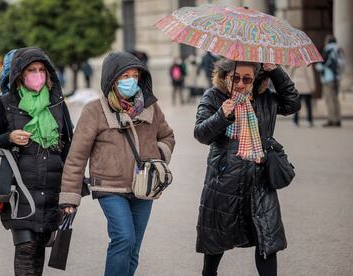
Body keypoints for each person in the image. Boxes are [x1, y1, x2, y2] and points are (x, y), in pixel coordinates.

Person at [59, 51, 175, 276]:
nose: (131, 81)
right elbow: (76, 156)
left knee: (133, 247)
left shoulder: (150, 107)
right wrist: (69, 197)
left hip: (144, 188)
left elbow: (167, 137)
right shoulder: (94, 110)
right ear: (112, 79)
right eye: (124, 76)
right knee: (123, 238)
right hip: (109, 187)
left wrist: (157, 157)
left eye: (135, 75)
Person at [194, 58, 300, 276]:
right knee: (215, 241)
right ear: (225, 77)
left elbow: (292, 104)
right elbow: (201, 134)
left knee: (267, 241)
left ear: (255, 80)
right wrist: (221, 116)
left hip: (260, 182)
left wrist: (276, 71)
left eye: (246, 79)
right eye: (235, 78)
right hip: (224, 181)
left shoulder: (265, 99)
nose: (240, 84)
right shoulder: (214, 97)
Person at [0, 47, 74, 276]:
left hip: (51, 189)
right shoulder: (5, 103)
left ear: (49, 74)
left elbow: (70, 148)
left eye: (41, 70)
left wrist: (73, 190)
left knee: (40, 245)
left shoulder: (57, 104)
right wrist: (8, 137)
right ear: (19, 75)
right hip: (19, 191)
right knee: (26, 246)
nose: (37, 74)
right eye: (31, 70)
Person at [315, 35, 343, 127]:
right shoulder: (339, 50)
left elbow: (321, 65)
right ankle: (338, 119)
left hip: (328, 78)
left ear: (328, 41)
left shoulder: (328, 49)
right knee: (335, 99)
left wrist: (318, 66)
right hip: (337, 78)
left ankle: (332, 120)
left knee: (330, 100)